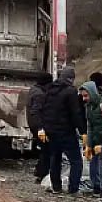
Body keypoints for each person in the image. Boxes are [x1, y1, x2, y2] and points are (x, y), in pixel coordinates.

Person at [42, 66, 84, 195]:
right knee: (76, 160)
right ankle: (73, 189)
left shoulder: (50, 90)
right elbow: (75, 113)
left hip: (51, 131)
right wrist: (83, 131)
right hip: (66, 131)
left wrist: (44, 128)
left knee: (55, 158)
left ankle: (56, 187)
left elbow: (45, 110)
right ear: (70, 78)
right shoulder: (70, 91)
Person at [79, 80, 102, 196]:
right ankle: (97, 188)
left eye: (86, 96)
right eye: (83, 96)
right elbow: (90, 126)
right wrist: (89, 145)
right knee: (94, 165)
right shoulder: (89, 107)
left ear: (92, 93)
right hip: (96, 141)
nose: (84, 99)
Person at [26, 72, 53, 180]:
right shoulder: (40, 94)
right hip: (38, 126)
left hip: (33, 125)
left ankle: (40, 171)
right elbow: (35, 112)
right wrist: (41, 129)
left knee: (43, 149)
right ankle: (41, 173)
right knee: (46, 149)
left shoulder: (33, 89)